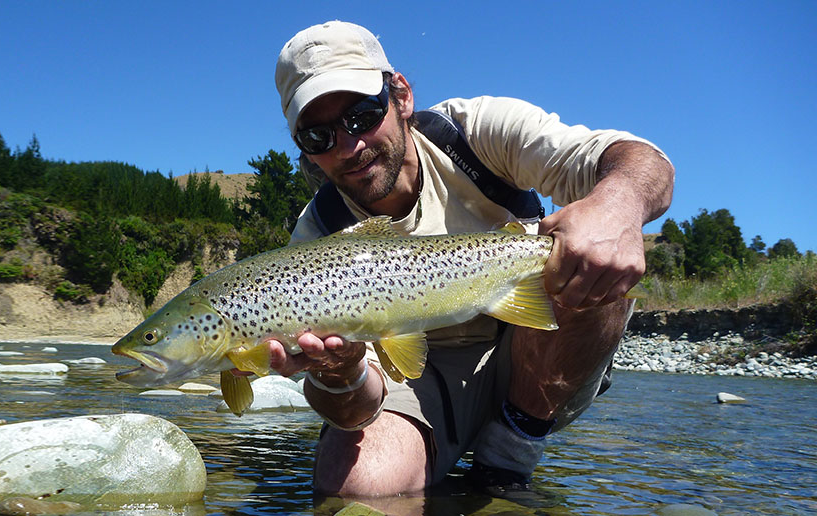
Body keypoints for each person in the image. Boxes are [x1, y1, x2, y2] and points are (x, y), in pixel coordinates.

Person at [259, 20, 675, 503]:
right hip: (419, 379)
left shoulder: (474, 133)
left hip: (532, 348)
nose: (349, 147)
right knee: (354, 491)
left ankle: (510, 451)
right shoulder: (314, 243)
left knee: (589, 256)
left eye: (361, 116)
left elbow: (643, 161)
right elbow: (356, 409)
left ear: (401, 96)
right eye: (318, 138)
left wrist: (618, 206)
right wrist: (340, 372)